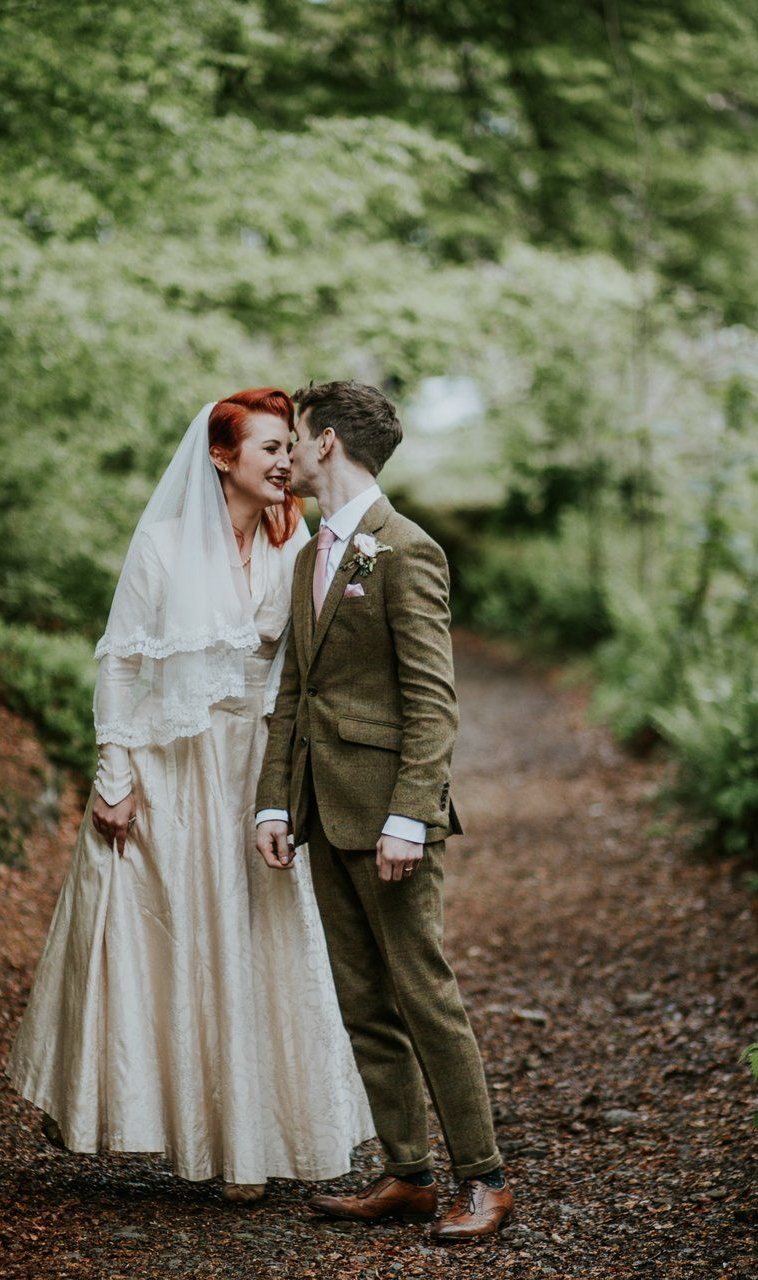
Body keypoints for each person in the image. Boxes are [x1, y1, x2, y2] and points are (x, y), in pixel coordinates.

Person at [8, 389, 374, 1201]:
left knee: (255, 936)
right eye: (270, 449)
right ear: (220, 457)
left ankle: (251, 1141)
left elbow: (306, 673)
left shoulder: (296, 545)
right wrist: (114, 775)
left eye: (290, 448)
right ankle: (119, 1110)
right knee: (149, 937)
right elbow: (120, 662)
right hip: (167, 768)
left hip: (254, 771)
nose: (287, 462)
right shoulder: (163, 546)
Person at [254, 380, 514, 1242]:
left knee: (423, 994)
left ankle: (484, 1179)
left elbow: (433, 701)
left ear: (327, 443)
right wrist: (273, 805)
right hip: (324, 813)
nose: (284, 455)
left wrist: (410, 815)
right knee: (361, 1001)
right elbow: (296, 690)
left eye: (293, 438)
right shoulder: (307, 557)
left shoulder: (406, 550)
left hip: (392, 819)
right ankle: (407, 1173)